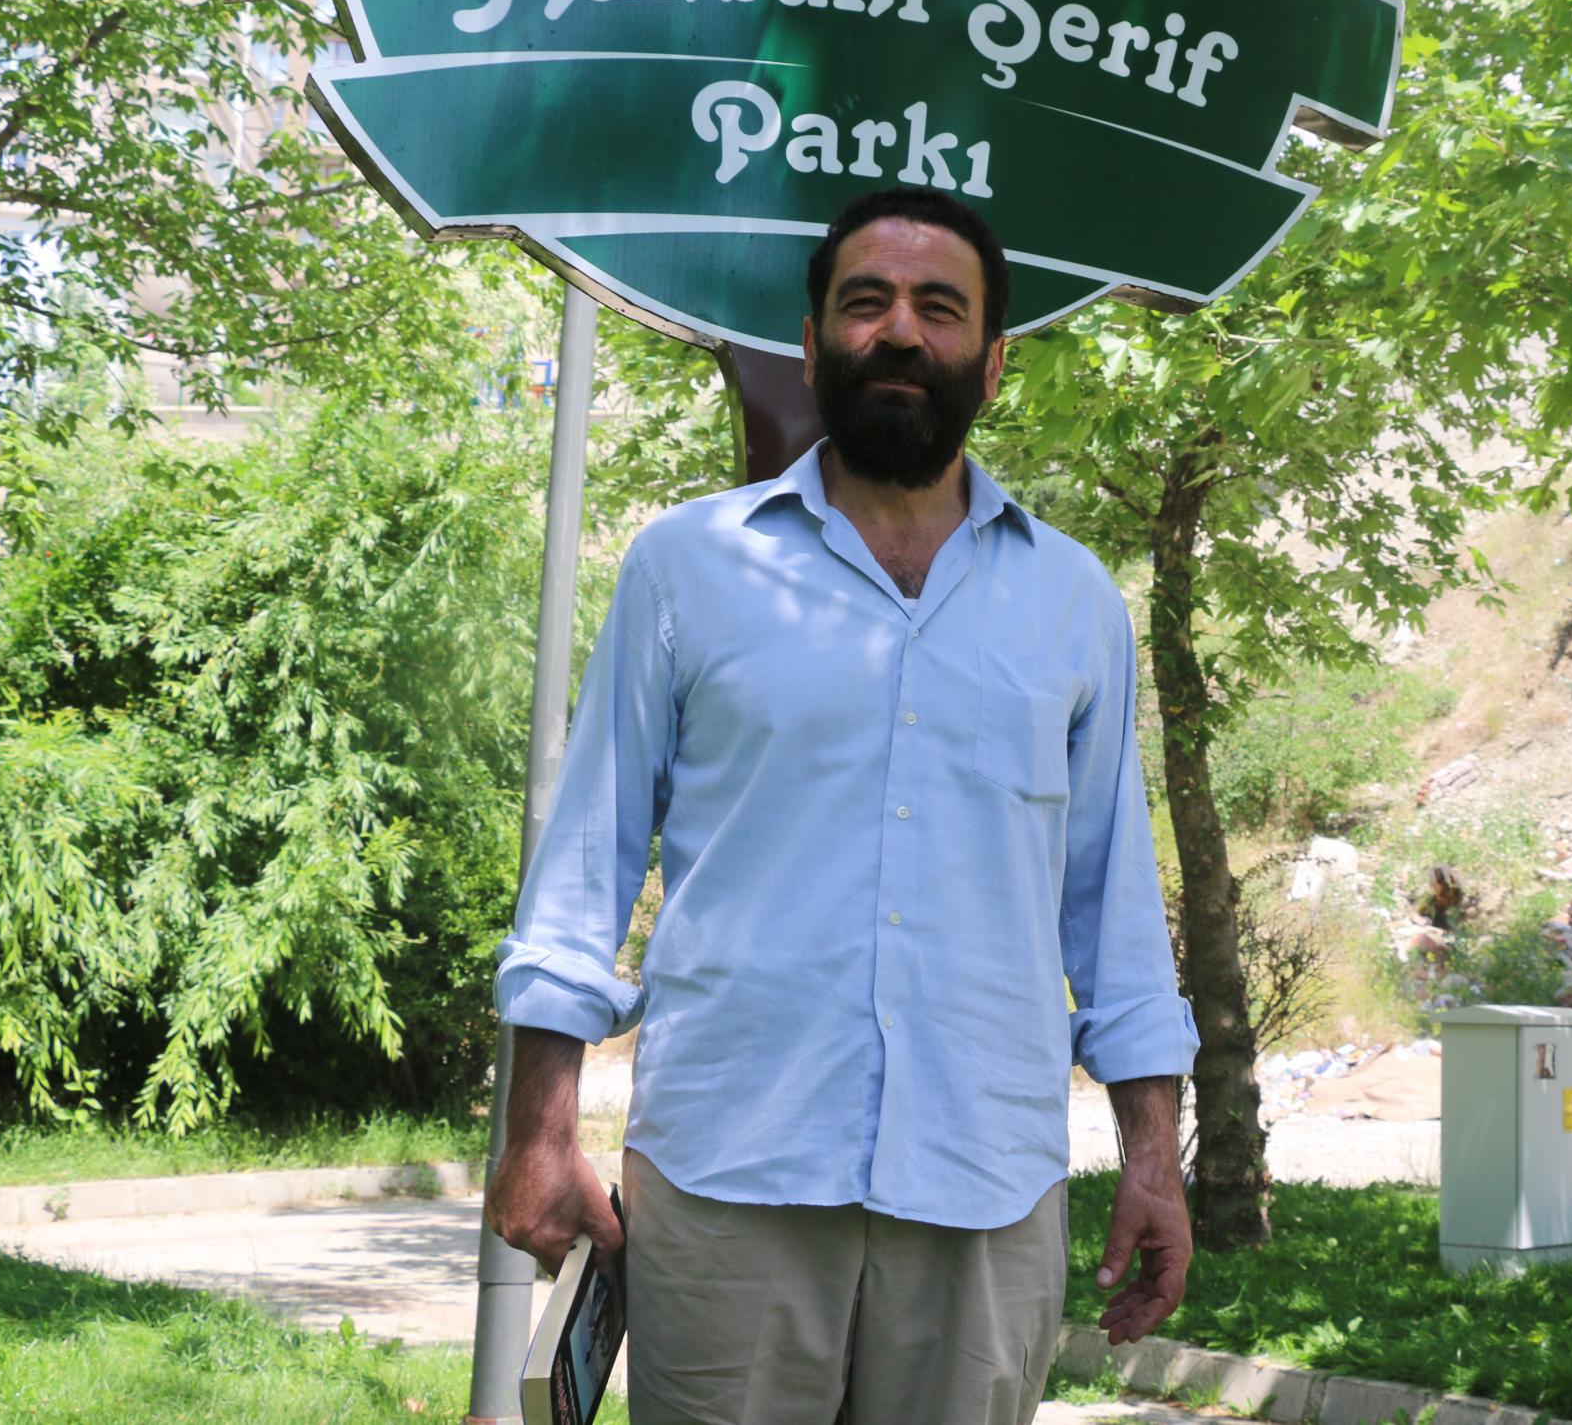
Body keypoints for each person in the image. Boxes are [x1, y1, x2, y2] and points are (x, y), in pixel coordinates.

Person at [485, 188, 1201, 1425]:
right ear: (813, 346)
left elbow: (1115, 917)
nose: (900, 331)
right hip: (728, 1176)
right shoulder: (687, 567)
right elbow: (584, 870)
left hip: (985, 1187)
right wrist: (539, 1131)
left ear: (992, 362)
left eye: (939, 307)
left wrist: (1154, 1158)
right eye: (865, 302)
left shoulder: (1074, 602)